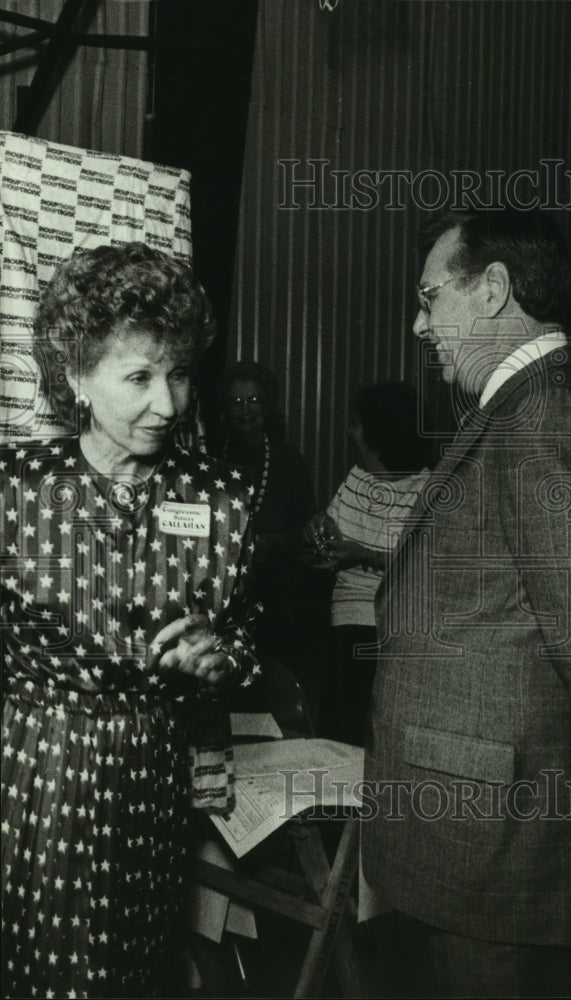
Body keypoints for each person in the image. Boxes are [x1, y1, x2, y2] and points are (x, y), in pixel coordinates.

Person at [1, 243, 260, 999]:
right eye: (139, 377)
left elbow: (246, 633)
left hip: (150, 769)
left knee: (129, 968)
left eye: (179, 373)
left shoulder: (220, 496)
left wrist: (224, 659)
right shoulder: (16, 490)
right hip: (34, 767)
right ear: (78, 378)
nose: (168, 405)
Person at [362, 207, 571, 997]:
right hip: (474, 828)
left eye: (427, 298)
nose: (418, 324)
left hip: (496, 844)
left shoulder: (536, 417)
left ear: (491, 290)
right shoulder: (514, 409)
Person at [303, 382, 432, 746]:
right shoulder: (355, 480)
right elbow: (320, 556)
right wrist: (315, 537)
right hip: (348, 619)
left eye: (356, 423)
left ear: (380, 430)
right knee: (343, 703)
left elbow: (425, 569)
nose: (349, 432)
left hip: (396, 622)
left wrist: (361, 555)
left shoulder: (427, 489)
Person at [214, 361, 328, 714]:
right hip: (225, 598)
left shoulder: (287, 460)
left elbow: (307, 530)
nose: (246, 410)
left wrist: (267, 544)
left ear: (268, 405)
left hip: (278, 599)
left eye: (254, 401)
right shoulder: (212, 460)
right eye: (236, 402)